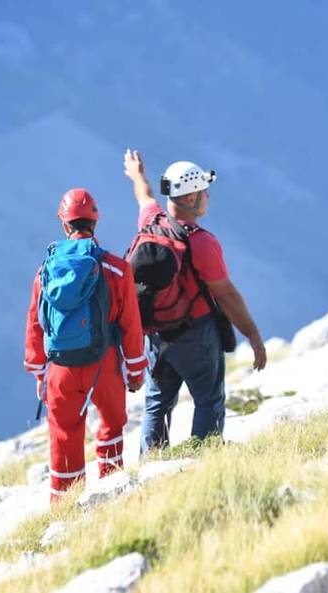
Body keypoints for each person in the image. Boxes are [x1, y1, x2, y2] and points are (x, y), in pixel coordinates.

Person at [122, 149, 266, 453]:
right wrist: (253, 335)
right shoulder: (201, 242)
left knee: (157, 403)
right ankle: (203, 456)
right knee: (208, 399)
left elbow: (144, 195)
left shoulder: (152, 221)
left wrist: (137, 174)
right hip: (196, 335)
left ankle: (152, 461)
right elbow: (226, 295)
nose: (208, 197)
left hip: (157, 336)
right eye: (204, 191)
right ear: (190, 198)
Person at [23, 188, 148, 501]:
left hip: (61, 369)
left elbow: (36, 324)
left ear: (64, 224)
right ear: (95, 222)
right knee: (111, 427)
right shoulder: (117, 269)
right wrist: (135, 371)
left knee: (64, 436)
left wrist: (39, 372)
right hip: (104, 363)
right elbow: (131, 327)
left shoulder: (45, 272)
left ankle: (65, 510)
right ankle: (111, 497)